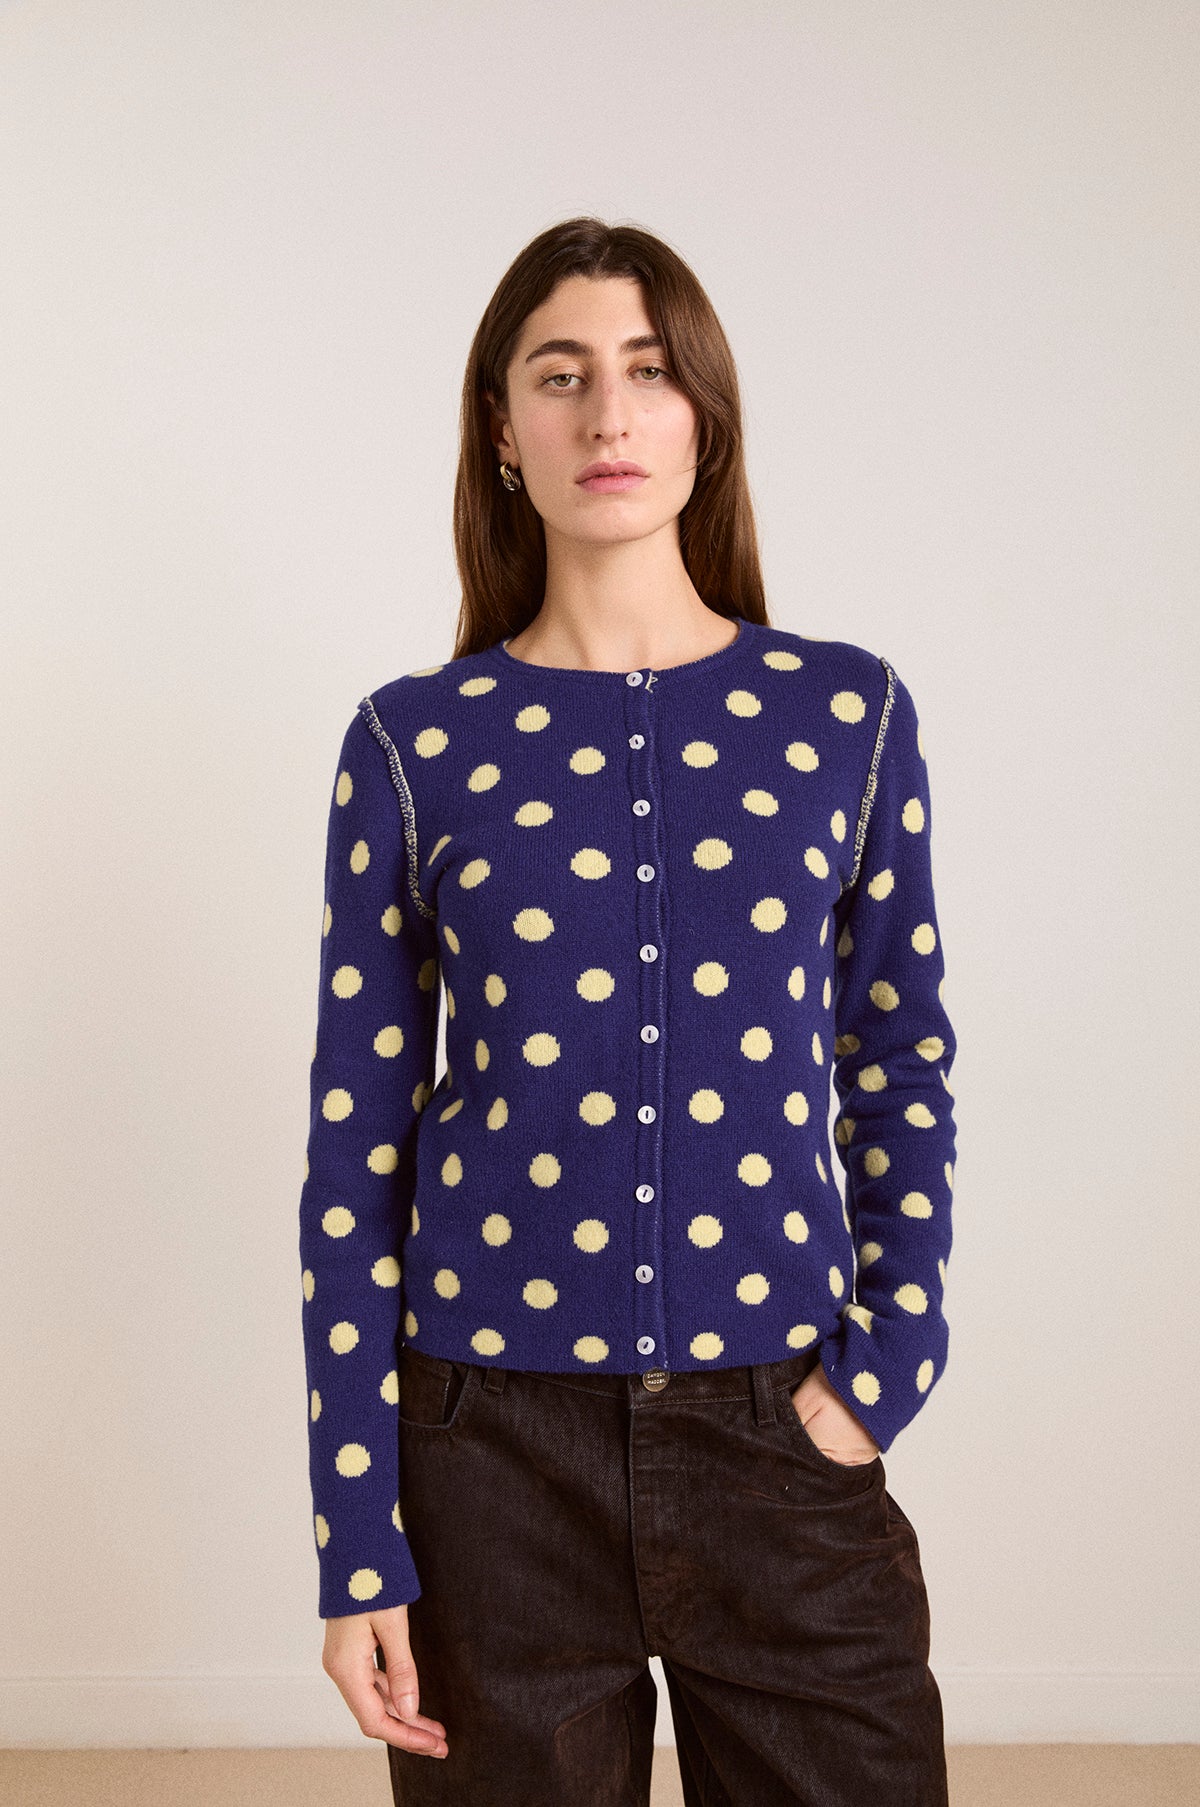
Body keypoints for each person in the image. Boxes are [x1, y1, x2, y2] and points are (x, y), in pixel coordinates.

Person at [298, 215, 957, 1805]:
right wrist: (357, 1535)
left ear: (704, 419)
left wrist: (886, 1370)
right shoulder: (412, 745)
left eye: (651, 373)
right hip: (490, 1464)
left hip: (781, 1437)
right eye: (562, 374)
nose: (609, 413)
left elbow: (900, 1062)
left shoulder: (846, 714)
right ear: (502, 429)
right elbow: (353, 1157)